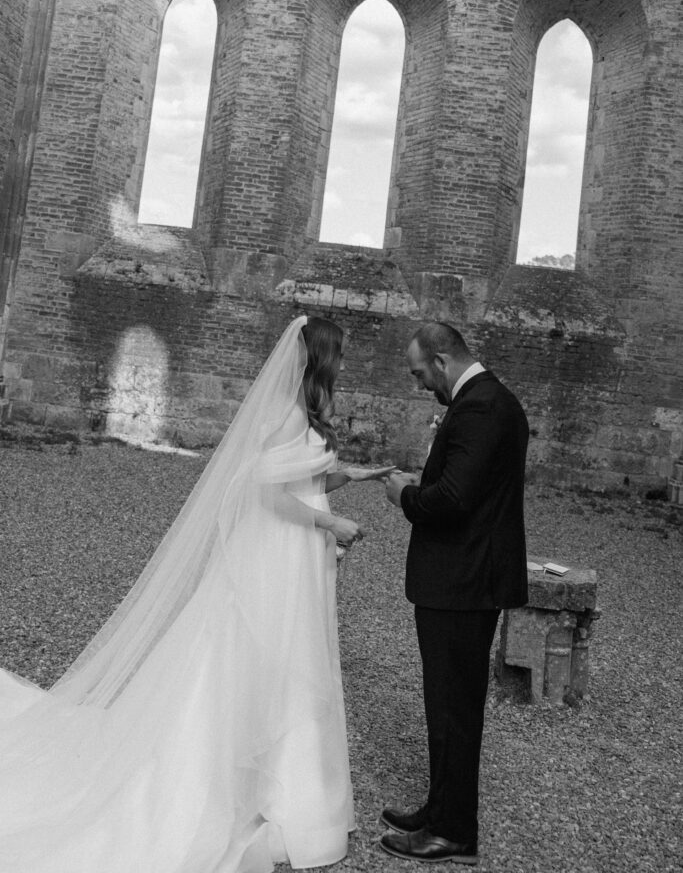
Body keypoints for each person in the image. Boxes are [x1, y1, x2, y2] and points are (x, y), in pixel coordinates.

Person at [0, 315, 393, 873]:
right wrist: (333, 527)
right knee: (258, 655)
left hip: (295, 557)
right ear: (320, 358)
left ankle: (289, 787)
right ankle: (240, 783)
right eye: (342, 356)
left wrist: (352, 475)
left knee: (291, 658)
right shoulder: (284, 413)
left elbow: (302, 479)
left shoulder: (307, 412)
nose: (346, 366)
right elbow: (265, 492)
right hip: (279, 552)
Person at [381, 321, 528, 866]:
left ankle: (453, 834)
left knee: (455, 709)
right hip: (463, 579)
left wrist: (405, 495)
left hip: (463, 583)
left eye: (421, 373)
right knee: (447, 704)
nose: (421, 384)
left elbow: (453, 498)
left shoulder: (482, 407)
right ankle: (440, 808)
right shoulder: (488, 402)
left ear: (442, 361)